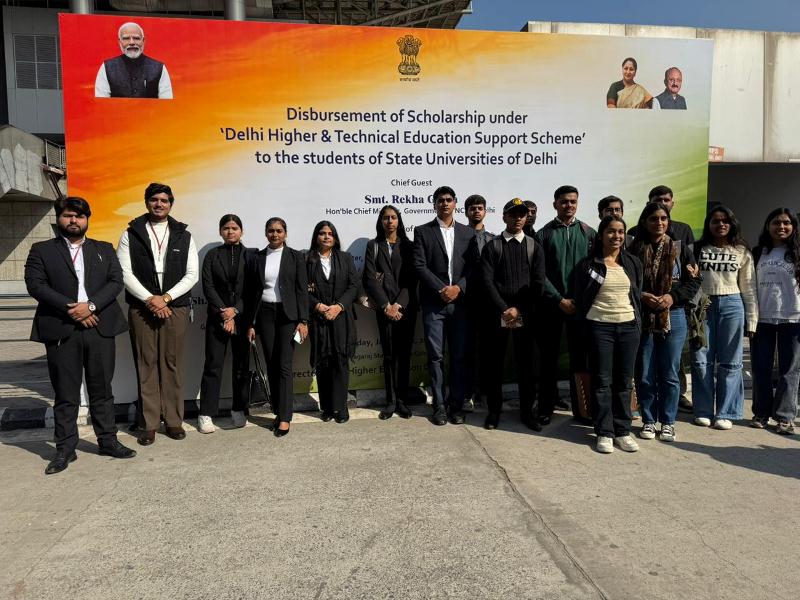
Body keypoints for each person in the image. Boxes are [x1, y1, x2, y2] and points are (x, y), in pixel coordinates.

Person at [25, 197, 136, 474]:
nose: (73, 220)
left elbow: (115, 282)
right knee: (66, 392)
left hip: (99, 326)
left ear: (87, 220)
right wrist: (72, 309)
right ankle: (65, 449)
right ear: (59, 218)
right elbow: (36, 285)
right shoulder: (42, 250)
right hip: (62, 329)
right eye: (68, 215)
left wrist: (91, 306)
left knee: (102, 389)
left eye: (79, 216)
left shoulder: (103, 249)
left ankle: (107, 441)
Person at [117, 182, 198, 446]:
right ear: (147, 202)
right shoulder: (131, 233)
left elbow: (191, 274)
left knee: (172, 364)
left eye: (164, 200)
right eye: (154, 199)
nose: (159, 204)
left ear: (170, 204)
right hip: (142, 308)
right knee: (146, 364)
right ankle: (149, 423)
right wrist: (150, 299)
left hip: (175, 307)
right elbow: (124, 272)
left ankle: (174, 420)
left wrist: (165, 298)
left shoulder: (184, 235)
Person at [632, 203, 700, 442]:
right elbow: (627, 281)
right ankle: (649, 420)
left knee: (670, 372)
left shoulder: (680, 250)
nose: (659, 223)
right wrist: (642, 295)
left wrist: (672, 297)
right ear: (645, 222)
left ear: (668, 221)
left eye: (663, 218)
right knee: (645, 372)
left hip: (675, 315)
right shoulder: (634, 249)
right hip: (644, 315)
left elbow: (694, 281)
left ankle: (668, 422)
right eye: (653, 218)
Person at [575, 215, 643, 453]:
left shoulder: (633, 263)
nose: (617, 236)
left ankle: (622, 430)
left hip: (628, 328)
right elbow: (581, 296)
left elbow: (636, 294)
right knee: (602, 381)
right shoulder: (588, 265)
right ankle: (604, 431)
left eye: (621, 232)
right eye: (611, 231)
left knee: (624, 382)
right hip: (599, 328)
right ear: (602, 235)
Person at [481, 199, 546, 431]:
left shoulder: (534, 247)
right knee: (494, 365)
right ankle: (494, 412)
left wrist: (518, 309)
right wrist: (504, 309)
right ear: (504, 217)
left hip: (524, 314)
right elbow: (487, 282)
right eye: (513, 214)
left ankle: (527, 413)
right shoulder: (493, 247)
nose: (518, 218)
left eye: (522, 214)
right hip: (497, 314)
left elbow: (538, 283)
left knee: (526, 365)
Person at [414, 185, 476, 426]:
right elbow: (420, 265)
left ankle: (456, 406)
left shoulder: (468, 233)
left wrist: (458, 288)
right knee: (436, 357)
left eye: (449, 199)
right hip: (434, 304)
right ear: (435, 204)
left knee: (459, 357)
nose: (445, 203)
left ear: (455, 203)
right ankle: (439, 407)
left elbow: (475, 267)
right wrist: (442, 289)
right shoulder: (423, 231)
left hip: (460, 305)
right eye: (440, 200)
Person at [691, 206, 757, 430]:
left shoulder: (742, 251)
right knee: (701, 359)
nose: (721, 225)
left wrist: (752, 319)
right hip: (703, 306)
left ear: (732, 224)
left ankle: (726, 412)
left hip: (732, 304)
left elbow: (749, 288)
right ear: (708, 225)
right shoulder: (697, 249)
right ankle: (703, 410)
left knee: (731, 361)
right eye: (715, 221)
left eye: (725, 221)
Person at [536, 185, 596, 424]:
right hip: (552, 306)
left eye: (572, 201)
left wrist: (581, 300)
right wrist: (559, 299)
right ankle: (545, 408)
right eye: (564, 201)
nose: (568, 205)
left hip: (580, 307)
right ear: (555, 204)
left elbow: (596, 270)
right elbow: (538, 274)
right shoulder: (544, 234)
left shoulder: (588, 233)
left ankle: (582, 410)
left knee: (580, 360)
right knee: (548, 359)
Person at [243, 217, 309, 437]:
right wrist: (251, 323)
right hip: (265, 314)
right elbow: (252, 293)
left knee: (284, 365)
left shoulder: (296, 257)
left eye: (279, 231)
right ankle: (278, 411)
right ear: (265, 233)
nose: (275, 234)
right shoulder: (258, 257)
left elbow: (302, 290)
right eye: (271, 231)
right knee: (271, 364)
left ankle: (285, 417)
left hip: (288, 316)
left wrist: (303, 320)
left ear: (285, 233)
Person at [197, 215, 253, 434]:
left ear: (241, 231)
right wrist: (225, 314)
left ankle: (239, 409)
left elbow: (253, 289)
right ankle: (206, 414)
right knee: (213, 365)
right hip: (217, 318)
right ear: (221, 231)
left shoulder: (251, 256)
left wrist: (235, 311)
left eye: (235, 228)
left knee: (241, 367)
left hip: (242, 319)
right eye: (226, 228)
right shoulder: (212, 255)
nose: (231, 232)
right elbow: (208, 286)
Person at [363, 206, 418, 420]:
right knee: (388, 356)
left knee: (404, 356)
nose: (390, 221)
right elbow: (369, 278)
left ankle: (402, 401)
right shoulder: (373, 246)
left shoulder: (409, 246)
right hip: (384, 310)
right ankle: (390, 401)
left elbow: (412, 280)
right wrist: (386, 306)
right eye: (386, 218)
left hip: (406, 309)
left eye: (394, 217)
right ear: (381, 221)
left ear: (399, 221)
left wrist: (398, 305)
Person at [750, 208, 800, 435]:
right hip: (762, 318)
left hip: (793, 318)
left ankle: (785, 417)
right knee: (761, 367)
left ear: (793, 226)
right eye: (776, 222)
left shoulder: (797, 252)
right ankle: (761, 413)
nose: (781, 227)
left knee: (789, 370)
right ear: (767, 225)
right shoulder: (757, 252)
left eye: (787, 223)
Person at [307, 221, 358, 423]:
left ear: (335, 238)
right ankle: (327, 407)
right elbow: (301, 289)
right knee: (323, 362)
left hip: (341, 318)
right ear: (316, 237)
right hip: (319, 318)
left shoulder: (345, 258)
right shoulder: (307, 259)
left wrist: (338, 306)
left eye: (330, 233)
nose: (326, 236)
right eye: (322, 233)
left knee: (340, 361)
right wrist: (318, 306)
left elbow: (354, 286)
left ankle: (341, 407)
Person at [463, 194, 493, 411]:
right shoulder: (459, 237)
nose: (476, 211)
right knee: (467, 350)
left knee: (488, 349)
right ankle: (468, 393)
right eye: (472, 208)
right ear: (466, 212)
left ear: (485, 211)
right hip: (465, 301)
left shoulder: (493, 239)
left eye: (480, 208)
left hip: (489, 302)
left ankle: (486, 392)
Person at [95, 22, 173, 99]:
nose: (131, 42)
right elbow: (101, 103)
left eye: (136, 38)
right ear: (119, 42)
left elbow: (167, 103)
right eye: (126, 38)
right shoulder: (107, 67)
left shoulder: (159, 68)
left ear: (143, 41)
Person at [629, 186, 695, 246]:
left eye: (666, 200)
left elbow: (689, 254)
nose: (662, 203)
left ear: (672, 204)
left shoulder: (684, 229)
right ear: (648, 204)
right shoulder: (633, 232)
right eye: (658, 200)